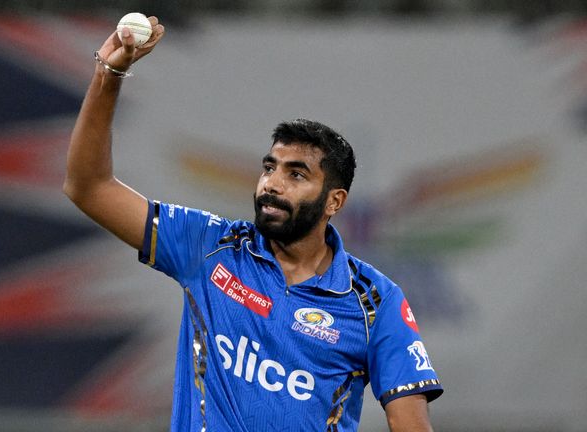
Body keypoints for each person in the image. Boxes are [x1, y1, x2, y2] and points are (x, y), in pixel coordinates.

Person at [64, 16, 443, 432]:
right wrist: (110, 73)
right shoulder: (208, 245)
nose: (272, 184)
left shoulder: (376, 302)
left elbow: (410, 422)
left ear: (335, 201)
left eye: (296, 175)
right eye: (269, 167)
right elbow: (89, 186)